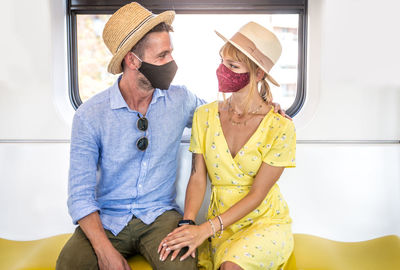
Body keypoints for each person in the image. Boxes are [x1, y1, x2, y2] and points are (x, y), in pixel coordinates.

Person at [56, 2, 288, 269]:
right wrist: (104, 250)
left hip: (158, 217)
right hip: (107, 220)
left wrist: (268, 105)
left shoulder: (181, 99)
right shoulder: (89, 115)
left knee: (182, 267)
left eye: (171, 53)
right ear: (132, 61)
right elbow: (80, 194)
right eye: (162, 56)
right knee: (69, 265)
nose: (171, 63)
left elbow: (223, 114)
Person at [159, 22, 296, 270]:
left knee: (230, 266)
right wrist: (188, 223)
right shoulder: (204, 115)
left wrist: (206, 229)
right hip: (222, 226)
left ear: (259, 74)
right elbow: (198, 176)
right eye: (222, 62)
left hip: (265, 222)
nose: (222, 71)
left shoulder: (280, 127)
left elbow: (258, 195)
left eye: (232, 66)